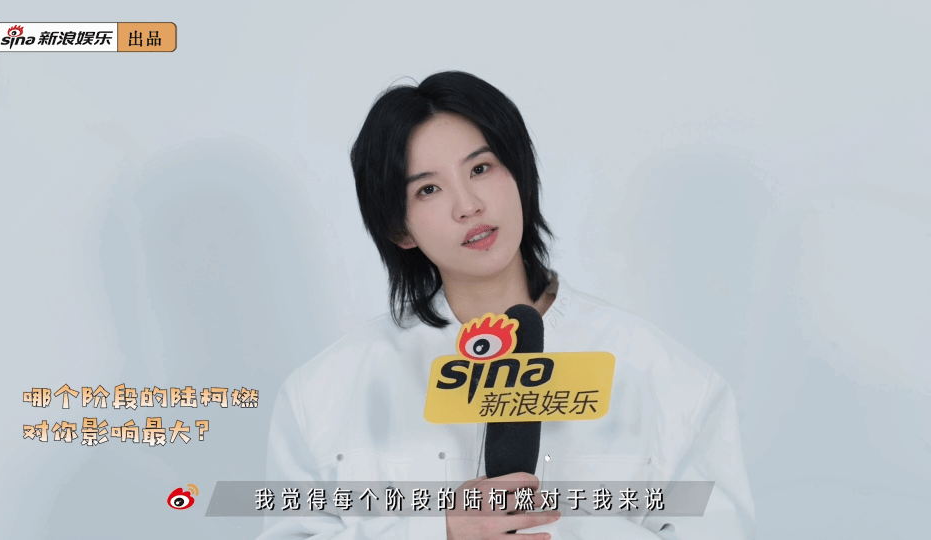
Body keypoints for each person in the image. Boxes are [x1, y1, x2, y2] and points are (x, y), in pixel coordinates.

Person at [260, 71, 755, 539]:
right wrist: (436, 530)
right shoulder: (323, 393)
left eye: (480, 168)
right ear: (399, 228)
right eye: (428, 189)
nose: (468, 205)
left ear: (519, 175)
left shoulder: (667, 380)